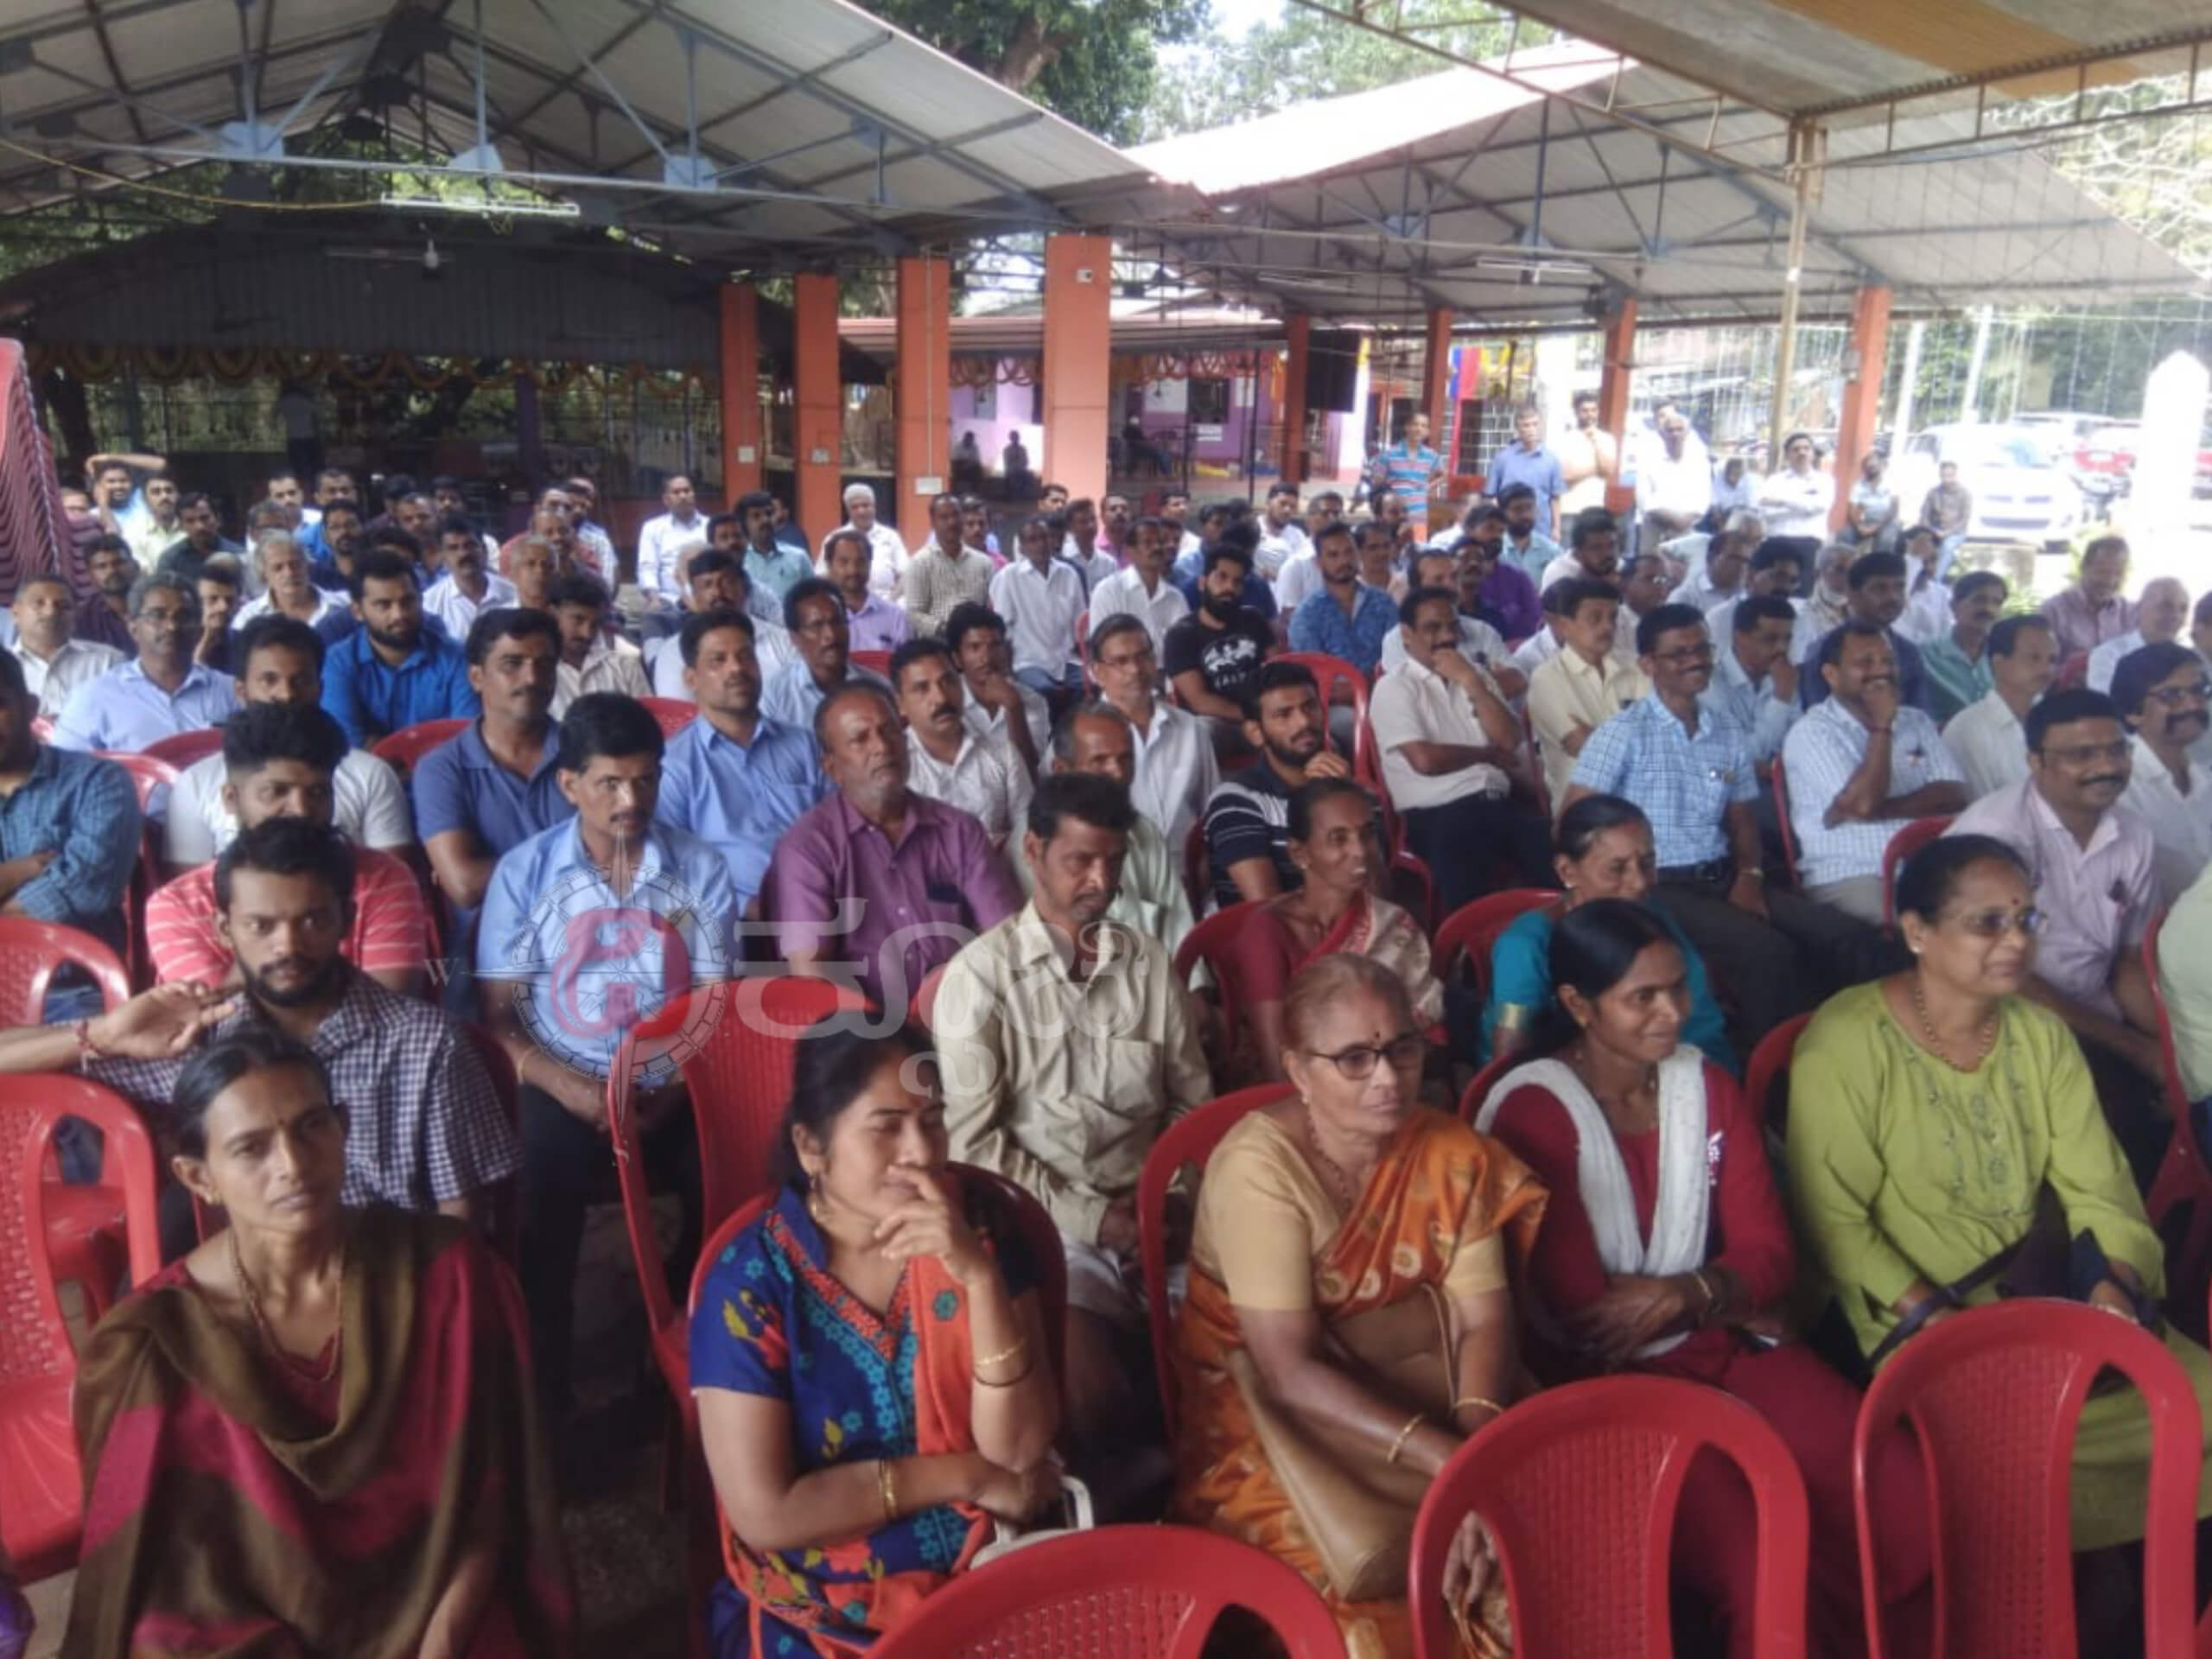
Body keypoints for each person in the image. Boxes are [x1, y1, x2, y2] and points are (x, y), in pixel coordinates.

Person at [1478, 899, 1924, 1657]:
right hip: (1607, 1387)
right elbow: (1590, 1314)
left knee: (1895, 1483)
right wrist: (1725, 1290)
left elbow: (1771, 1253)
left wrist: (1687, 1293)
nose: (1674, 1013)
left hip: (1724, 1347)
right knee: (1754, 1555)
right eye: (1643, 997)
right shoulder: (1536, 1112)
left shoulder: (1703, 1086)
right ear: (1579, 1006)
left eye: (1678, 987)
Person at [57, 1030, 569, 1657]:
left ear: (343, 1128)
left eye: (311, 1127)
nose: (294, 1166)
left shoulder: (445, 1276)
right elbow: (169, 1580)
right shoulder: (153, 1346)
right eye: (251, 1148)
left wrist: (443, 1639)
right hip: (248, 1628)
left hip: (436, 1596)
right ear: (198, 1176)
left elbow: (491, 1498)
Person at [1785, 834, 2212, 1551]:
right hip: (1921, 1313)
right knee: (2013, 1448)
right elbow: (1834, 1223)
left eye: (2026, 919)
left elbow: (2098, 1186)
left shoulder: (2040, 1036)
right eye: (1988, 923)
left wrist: (2111, 1286)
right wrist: (1942, 1325)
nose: (2016, 941)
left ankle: (2160, 1577)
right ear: (1917, 931)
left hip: (2046, 1293)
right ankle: (2054, 1584)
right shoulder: (1847, 1044)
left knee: (2194, 1403)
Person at [1171, 954, 1541, 1654]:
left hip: (1438, 1394)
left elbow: (1483, 1320)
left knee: (1548, 1562)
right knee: (1362, 1628)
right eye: (1354, 1059)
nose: (1387, 1077)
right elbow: (1288, 1371)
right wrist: (1449, 1468)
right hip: (1270, 1423)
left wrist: (1472, 1462)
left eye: (1402, 1048)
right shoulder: (1258, 1169)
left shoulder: (1450, 1152)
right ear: (1298, 1068)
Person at [692, 1018, 1058, 1659]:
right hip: (822, 1596)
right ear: (811, 1147)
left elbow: (1021, 1452)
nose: (920, 1152)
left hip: (993, 1558)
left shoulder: (978, 1229)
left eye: (932, 1121)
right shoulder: (751, 1286)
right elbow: (767, 1512)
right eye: (886, 1128)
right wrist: (964, 1477)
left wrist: (977, 1279)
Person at [0, 817, 518, 1229]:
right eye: (260, 925)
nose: (287, 946)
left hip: (388, 1277)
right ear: (224, 930)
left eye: (312, 920)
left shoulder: (425, 1044)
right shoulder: (195, 1037)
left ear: (346, 919)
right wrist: (106, 1033)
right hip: (255, 1282)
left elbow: (461, 1217)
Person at [479, 694, 736, 1415]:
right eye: (611, 783)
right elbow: (499, 1020)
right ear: (570, 785)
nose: (632, 800)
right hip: (563, 1078)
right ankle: (549, 1393)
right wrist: (571, 1088)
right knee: (541, 1202)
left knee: (729, 1190)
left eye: (646, 780)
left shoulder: (699, 868)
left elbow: (713, 1005)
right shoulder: (526, 873)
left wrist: (674, 1088)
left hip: (672, 1080)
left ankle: (683, 1367)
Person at [936, 773, 1211, 1446]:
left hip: (1157, 1213)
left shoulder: (1148, 965)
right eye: (1080, 861)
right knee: (1090, 1394)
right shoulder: (981, 978)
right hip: (1049, 1225)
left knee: (1237, 1359)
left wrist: (1168, 1202)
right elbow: (974, 1145)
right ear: (1033, 852)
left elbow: (1191, 1106)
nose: (1100, 881)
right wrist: (1095, 1220)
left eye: (1114, 861)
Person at [1565, 604, 1891, 1052]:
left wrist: (1750, 875)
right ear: (1648, 664)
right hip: (1656, 885)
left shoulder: (1724, 733)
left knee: (1847, 937)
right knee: (1768, 953)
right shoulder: (1622, 733)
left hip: (1724, 874)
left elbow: (1741, 816)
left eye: (1702, 649)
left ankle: (1870, 1049)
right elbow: (1575, 818)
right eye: (1679, 654)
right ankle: (1774, 1075)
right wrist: (1603, 892)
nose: (1696, 661)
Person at [1946, 689, 2166, 1179]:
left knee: (2186, 1084)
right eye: (2080, 755)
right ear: (2035, 762)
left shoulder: (2134, 835)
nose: (2105, 766)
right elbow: (2003, 980)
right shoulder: (1996, 838)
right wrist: (2136, 1051)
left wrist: (2169, 1052)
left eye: (2116, 750)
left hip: (2092, 1011)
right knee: (2119, 1121)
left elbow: (2128, 962)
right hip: (2001, 1017)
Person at [768, 683, 1021, 1011]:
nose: (882, 747)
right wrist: (881, 1033)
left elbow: (1004, 936)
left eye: (889, 731)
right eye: (860, 739)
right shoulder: (807, 848)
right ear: (832, 768)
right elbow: (812, 975)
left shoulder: (958, 830)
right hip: (858, 1028)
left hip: (960, 1011)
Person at [147, 704, 428, 997]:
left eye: (317, 793)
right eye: (276, 792)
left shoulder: (384, 878)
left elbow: (389, 1010)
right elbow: (215, 1018)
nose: (301, 810)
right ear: (231, 799)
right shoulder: (176, 905)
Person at [1217, 778, 1442, 1084]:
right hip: (1304, 1091)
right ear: (1299, 854)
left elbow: (1425, 1036)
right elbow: (1277, 1064)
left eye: (1367, 834)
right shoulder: (1268, 932)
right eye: (1339, 839)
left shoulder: (1390, 922)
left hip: (1392, 1080)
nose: (1360, 850)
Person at [1482, 795, 1731, 1069]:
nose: (1639, 883)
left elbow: (1700, 1016)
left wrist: (1701, 1075)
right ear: (1567, 871)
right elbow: (1510, 1061)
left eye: (1647, 863)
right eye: (1617, 869)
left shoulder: (1649, 915)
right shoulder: (1526, 946)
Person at [163, 617, 412, 874]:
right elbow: (189, 889)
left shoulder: (370, 774)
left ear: (320, 689)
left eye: (301, 681)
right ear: (241, 691)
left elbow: (392, 880)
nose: (286, 695)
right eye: (269, 680)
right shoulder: (196, 783)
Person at [1781, 624, 1967, 923]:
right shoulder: (1812, 732)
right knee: (1925, 929)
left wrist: (1882, 809)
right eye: (1866, 662)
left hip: (1929, 866)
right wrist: (1882, 726)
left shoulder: (1916, 720)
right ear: (1831, 675)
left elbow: (1955, 794)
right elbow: (1863, 803)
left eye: (1888, 661)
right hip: (1854, 875)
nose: (1881, 670)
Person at [657, 607, 825, 915]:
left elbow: (839, 826)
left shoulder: (805, 745)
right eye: (718, 660)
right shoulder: (674, 766)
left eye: (745, 656)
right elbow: (673, 871)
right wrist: (744, 908)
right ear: (691, 679)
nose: (736, 668)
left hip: (825, 901)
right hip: (737, 922)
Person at [413, 608, 574, 930]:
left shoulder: (585, 753)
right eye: (512, 664)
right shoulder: (442, 770)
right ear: (476, 677)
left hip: (588, 930)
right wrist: (579, 861)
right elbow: (465, 886)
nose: (532, 678)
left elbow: (623, 859)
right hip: (493, 939)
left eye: (544, 665)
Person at [1010, 702, 1195, 955]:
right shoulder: (1037, 844)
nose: (1118, 773)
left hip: (1157, 975)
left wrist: (1189, 979)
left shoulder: (1143, 831)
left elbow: (1180, 929)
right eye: (1100, 761)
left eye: (1125, 759)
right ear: (1062, 770)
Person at [0, 650, 140, 959]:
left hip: (72, 978)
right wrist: (17, 872)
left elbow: (88, 890)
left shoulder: (98, 781)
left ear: (31, 708)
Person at [1203, 661, 1352, 910]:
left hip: (1348, 926)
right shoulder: (1236, 803)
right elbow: (1271, 911)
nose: (1303, 722)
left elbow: (1378, 891)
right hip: (1268, 933)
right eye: (1284, 715)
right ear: (1255, 733)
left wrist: (1342, 803)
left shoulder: (1344, 786)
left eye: (1310, 706)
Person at [53, 573, 238, 753]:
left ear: (198, 627)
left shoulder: (232, 693)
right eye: (157, 616)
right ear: (133, 627)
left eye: (183, 616)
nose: (172, 626)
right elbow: (65, 769)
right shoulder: (93, 698)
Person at [319, 550, 478, 748]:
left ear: (421, 600)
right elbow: (349, 747)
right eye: (384, 605)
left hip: (447, 769)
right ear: (358, 611)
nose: (399, 615)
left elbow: (466, 740)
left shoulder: (456, 658)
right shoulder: (337, 664)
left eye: (408, 601)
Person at [1090, 614, 1218, 854]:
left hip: (1189, 867)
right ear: (1097, 673)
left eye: (1143, 656)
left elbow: (1211, 810)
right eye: (1121, 661)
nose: (1135, 669)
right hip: (1121, 870)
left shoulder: (1191, 730)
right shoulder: (1080, 738)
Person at [893, 637, 1031, 850]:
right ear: (900, 704)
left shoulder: (1003, 756)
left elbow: (1028, 835)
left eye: (948, 681)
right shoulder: (893, 767)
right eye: (922, 689)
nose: (940, 698)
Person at [1528, 578, 1649, 812]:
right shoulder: (1547, 678)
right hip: (1585, 808)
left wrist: (1600, 739)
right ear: (1564, 626)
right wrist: (1635, 741)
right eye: (1595, 618)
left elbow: (1663, 740)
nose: (1608, 627)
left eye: (1613, 617)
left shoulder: (1636, 667)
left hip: (1643, 798)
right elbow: (1582, 746)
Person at [2113, 642, 2212, 908]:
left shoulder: (2204, 779)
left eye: (2199, 691)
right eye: (2171, 695)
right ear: (2133, 713)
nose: (2193, 704)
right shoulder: (2118, 790)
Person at [1798, 550, 1930, 714]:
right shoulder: (1824, 650)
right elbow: (1817, 714)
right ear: (1852, 595)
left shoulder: (1908, 652)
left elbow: (1919, 717)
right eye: (1880, 589)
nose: (1893, 597)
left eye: (1899, 587)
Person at [652, 549, 795, 697]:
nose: (718, 593)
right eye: (707, 585)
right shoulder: (673, 653)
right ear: (694, 595)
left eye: (727, 583)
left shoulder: (782, 641)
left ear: (744, 589)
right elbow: (678, 708)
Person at [1945, 613, 2056, 801]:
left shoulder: (2060, 719)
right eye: (2034, 658)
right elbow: (1980, 809)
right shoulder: (1967, 730)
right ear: (1998, 663)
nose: (2046, 670)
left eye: (2052, 660)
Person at [1165, 539, 1274, 729]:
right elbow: (1199, 701)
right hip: (1219, 723)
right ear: (1202, 583)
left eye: (1237, 581)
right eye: (1221, 578)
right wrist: (1252, 716)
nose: (1229, 587)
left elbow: (1278, 668)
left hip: (1265, 715)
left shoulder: (1254, 619)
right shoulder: (1181, 635)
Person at [761, 577, 892, 732]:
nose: (831, 635)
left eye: (837, 622)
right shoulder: (775, 694)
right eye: (816, 626)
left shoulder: (877, 687)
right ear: (794, 638)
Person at [988, 514, 1085, 699]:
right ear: (1022, 547)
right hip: (1028, 662)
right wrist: (1006, 673)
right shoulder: (1008, 577)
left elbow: (1080, 627)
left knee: (1091, 685)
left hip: (1066, 661)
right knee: (1044, 690)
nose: (1041, 544)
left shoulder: (1069, 574)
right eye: (1033, 540)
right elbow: (1001, 631)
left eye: (1045, 537)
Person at [1701, 593, 1799, 775]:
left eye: (1787, 639)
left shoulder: (1782, 675)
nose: (1782, 648)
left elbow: (1799, 742)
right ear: (1739, 638)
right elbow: (1737, 757)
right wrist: (1781, 700)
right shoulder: (1708, 685)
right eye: (1770, 639)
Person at [946, 602, 1048, 775]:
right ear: (957, 659)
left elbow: (1030, 773)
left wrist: (1014, 708)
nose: (986, 658)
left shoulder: (1032, 701)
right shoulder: (947, 703)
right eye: (975, 648)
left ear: (1006, 650)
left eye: (995, 645)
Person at [1287, 521, 1396, 674]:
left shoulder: (1383, 603)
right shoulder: (1307, 614)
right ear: (1318, 563)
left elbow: (1397, 658)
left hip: (1386, 686)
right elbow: (1312, 672)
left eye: (1349, 552)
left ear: (1358, 554)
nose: (1344, 561)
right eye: (1333, 555)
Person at [9, 572, 121, 719]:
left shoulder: (109, 662)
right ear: (15, 614)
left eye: (63, 606)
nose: (50, 612)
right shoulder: (4, 667)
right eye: (39, 603)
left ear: (75, 615)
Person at [547, 570, 650, 715]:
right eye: (578, 620)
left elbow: (647, 722)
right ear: (553, 614)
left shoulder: (625, 667)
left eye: (595, 624)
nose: (587, 633)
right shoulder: (538, 672)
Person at [1089, 515, 1190, 654]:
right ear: (1130, 550)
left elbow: (1184, 646)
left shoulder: (1175, 597)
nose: (1157, 547)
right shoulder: (1108, 591)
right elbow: (1101, 647)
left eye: (1161, 542)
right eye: (1148, 543)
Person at [1916, 570, 2006, 724]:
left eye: (1997, 603)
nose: (1988, 609)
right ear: (1954, 606)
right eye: (1979, 600)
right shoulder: (1925, 656)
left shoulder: (2006, 657)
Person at [229, 529, 350, 639]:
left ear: (308, 566)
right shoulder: (248, 617)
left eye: (295, 565)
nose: (289, 573)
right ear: (264, 576)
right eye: (278, 568)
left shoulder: (345, 604)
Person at [903, 493, 995, 639]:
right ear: (933, 523)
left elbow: (991, 606)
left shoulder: (984, 563)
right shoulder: (920, 562)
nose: (952, 522)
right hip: (936, 643)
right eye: (944, 517)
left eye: (955, 515)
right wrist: (947, 630)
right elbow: (914, 613)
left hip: (977, 642)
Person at [2087, 575, 2190, 696]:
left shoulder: (2190, 660)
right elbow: (2105, 703)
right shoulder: (2108, 655)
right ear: (2140, 608)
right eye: (2165, 606)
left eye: (2183, 609)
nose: (2175, 616)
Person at [2041, 535, 2137, 664]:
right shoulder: (2054, 610)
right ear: (2084, 568)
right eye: (2102, 572)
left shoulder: (2131, 614)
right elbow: (2043, 665)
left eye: (2118, 573)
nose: (2109, 580)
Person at [422, 515, 519, 640]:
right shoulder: (430, 603)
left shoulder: (513, 592)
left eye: (470, 545)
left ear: (484, 551)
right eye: (453, 548)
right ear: (443, 557)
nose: (464, 554)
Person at [823, 527, 911, 655]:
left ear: (870, 564)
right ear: (829, 566)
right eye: (844, 562)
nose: (853, 570)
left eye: (861, 562)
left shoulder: (896, 617)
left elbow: (909, 664)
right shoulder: (819, 618)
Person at [1635, 409, 1713, 552]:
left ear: (1687, 433)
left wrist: (1683, 522)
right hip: (1654, 531)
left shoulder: (1699, 461)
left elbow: (1703, 499)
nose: (1675, 434)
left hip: (1687, 531)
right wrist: (1671, 520)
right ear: (1661, 434)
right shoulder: (1648, 459)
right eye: (1670, 430)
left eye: (1679, 429)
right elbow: (1644, 500)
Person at [1486, 405, 1565, 541]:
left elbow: (1555, 498)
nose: (1531, 430)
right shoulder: (1503, 459)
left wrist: (1556, 528)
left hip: (1541, 530)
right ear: (1518, 429)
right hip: (1508, 530)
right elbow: (1492, 497)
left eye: (1535, 424)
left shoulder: (1552, 460)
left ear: (1541, 427)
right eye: (1526, 425)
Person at [1366, 410, 1448, 539]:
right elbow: (1377, 483)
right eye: (1415, 424)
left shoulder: (1432, 456)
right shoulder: (1389, 454)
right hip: (1394, 513)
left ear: (1427, 432)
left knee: (1417, 546)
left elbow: (1444, 474)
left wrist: (1427, 487)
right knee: (1391, 545)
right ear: (1407, 427)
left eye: (1423, 426)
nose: (1419, 429)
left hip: (1418, 511)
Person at [825, 483, 906, 601]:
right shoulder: (835, 538)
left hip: (886, 601)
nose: (861, 511)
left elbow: (905, 575)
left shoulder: (891, 537)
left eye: (866, 505)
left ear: (874, 507)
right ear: (848, 511)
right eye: (855, 507)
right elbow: (823, 575)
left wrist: (891, 602)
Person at [637, 473, 707, 604]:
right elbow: (647, 568)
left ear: (694, 495)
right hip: (668, 601)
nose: (683, 496)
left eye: (687, 491)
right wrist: (654, 600)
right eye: (676, 492)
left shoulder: (710, 526)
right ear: (666, 500)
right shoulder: (652, 528)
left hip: (705, 601)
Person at [1664, 517, 1752, 616]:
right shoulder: (1685, 597)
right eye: (1733, 558)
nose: (1741, 566)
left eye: (1746, 561)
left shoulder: (1748, 594)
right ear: (1711, 557)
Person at [1756, 430, 1832, 539]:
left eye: (1806, 448)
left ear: (1813, 454)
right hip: (1777, 538)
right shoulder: (1774, 481)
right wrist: (1803, 505)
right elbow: (1764, 511)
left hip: (1810, 539)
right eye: (1796, 450)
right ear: (1787, 455)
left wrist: (1780, 502)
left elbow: (1817, 506)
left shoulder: (1825, 481)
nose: (1802, 453)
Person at [74, 534, 141, 658]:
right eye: (102, 566)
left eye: (119, 562)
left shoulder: (160, 603)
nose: (112, 571)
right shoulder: (84, 619)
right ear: (90, 575)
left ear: (136, 566)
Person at [1557, 388, 1618, 518]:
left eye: (1593, 410)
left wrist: (1595, 441)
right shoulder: (1565, 439)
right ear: (1576, 412)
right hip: (1569, 509)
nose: (1590, 415)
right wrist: (1596, 469)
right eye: (1585, 411)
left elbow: (1608, 470)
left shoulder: (1607, 439)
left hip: (1595, 508)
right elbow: (1566, 474)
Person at [1537, 506, 1623, 594]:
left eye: (1612, 545)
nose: (1608, 553)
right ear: (1578, 552)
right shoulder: (1558, 573)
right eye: (1597, 548)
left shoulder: (1621, 568)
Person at [1495, 484, 1560, 590]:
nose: (1525, 515)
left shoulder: (1552, 552)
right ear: (1502, 513)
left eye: (1529, 508)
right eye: (1517, 510)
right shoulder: (1494, 551)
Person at [1919, 458, 1973, 571]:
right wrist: (1932, 530)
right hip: (1934, 530)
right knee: (1918, 543)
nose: (1946, 479)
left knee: (1947, 546)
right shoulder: (1933, 492)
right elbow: (1924, 515)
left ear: (1955, 475)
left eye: (1949, 476)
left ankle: (1936, 578)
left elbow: (1964, 519)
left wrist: (1947, 533)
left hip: (1955, 533)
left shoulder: (1965, 494)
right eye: (1943, 475)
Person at [1841, 451, 1900, 552]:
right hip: (1866, 521)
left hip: (1887, 522)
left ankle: (1877, 562)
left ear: (1881, 466)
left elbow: (1893, 510)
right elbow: (1852, 509)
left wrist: (1876, 527)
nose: (1870, 470)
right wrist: (1859, 526)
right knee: (1845, 535)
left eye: (1873, 467)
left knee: (1886, 540)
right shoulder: (1859, 484)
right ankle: (1849, 561)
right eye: (1867, 468)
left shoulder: (1892, 482)